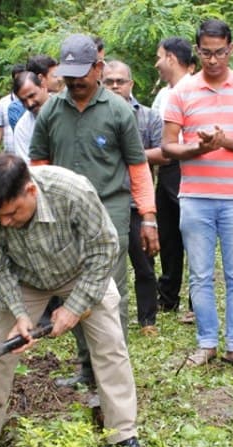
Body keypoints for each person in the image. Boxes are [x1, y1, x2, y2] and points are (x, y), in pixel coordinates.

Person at [0, 154, 147, 447]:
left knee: (110, 348)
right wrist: (20, 314)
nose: (5, 222)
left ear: (30, 191)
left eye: (12, 213)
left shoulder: (73, 192)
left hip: (81, 273)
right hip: (24, 279)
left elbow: (105, 250)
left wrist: (73, 308)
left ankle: (124, 435)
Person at [30, 34, 158, 388]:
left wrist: (148, 216)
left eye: (82, 73)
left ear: (98, 68)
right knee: (73, 292)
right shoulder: (52, 111)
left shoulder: (118, 111)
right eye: (68, 75)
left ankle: (114, 373)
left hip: (109, 213)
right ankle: (87, 369)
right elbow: (38, 165)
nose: (75, 82)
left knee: (109, 292)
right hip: (64, 217)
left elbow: (137, 167)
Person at [162, 19, 233, 373]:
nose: (212, 60)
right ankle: (207, 342)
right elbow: (167, 146)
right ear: (197, 50)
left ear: (230, 49)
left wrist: (224, 142)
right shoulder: (182, 92)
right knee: (201, 274)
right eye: (205, 52)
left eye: (219, 52)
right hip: (194, 196)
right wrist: (198, 148)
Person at [103, 60, 167, 337]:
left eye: (120, 81)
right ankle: (110, 320)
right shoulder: (98, 116)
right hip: (107, 201)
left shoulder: (149, 116)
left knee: (144, 264)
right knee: (107, 265)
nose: (115, 86)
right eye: (109, 82)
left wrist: (131, 154)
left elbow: (163, 153)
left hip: (138, 202)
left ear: (131, 84)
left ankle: (147, 320)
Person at [152, 37, 196, 320]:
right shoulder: (163, 95)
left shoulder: (193, 90)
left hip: (185, 168)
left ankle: (196, 302)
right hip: (165, 171)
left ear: (170, 57)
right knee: (168, 235)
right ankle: (168, 297)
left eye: (159, 57)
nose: (156, 63)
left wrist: (139, 155)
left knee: (192, 236)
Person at [11, 70, 50, 160]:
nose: (29, 103)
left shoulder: (65, 108)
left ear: (43, 86)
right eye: (23, 100)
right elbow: (28, 166)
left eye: (32, 95)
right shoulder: (22, 128)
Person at [0, 64, 27, 155]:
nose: (20, 83)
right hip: (9, 156)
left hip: (28, 154)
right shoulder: (3, 102)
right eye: (17, 79)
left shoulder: (32, 101)